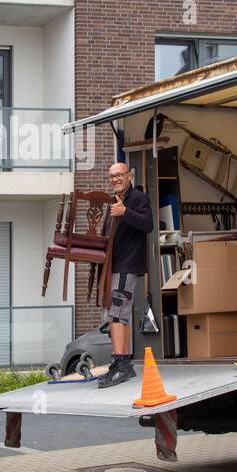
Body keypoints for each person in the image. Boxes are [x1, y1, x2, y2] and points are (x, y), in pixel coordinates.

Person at [99, 161, 154, 389]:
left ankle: (121, 363)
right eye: (112, 176)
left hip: (127, 264)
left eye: (119, 175)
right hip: (115, 264)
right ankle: (122, 363)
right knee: (118, 314)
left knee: (116, 314)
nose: (115, 179)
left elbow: (148, 224)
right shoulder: (113, 200)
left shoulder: (138, 197)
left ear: (129, 176)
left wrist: (125, 212)